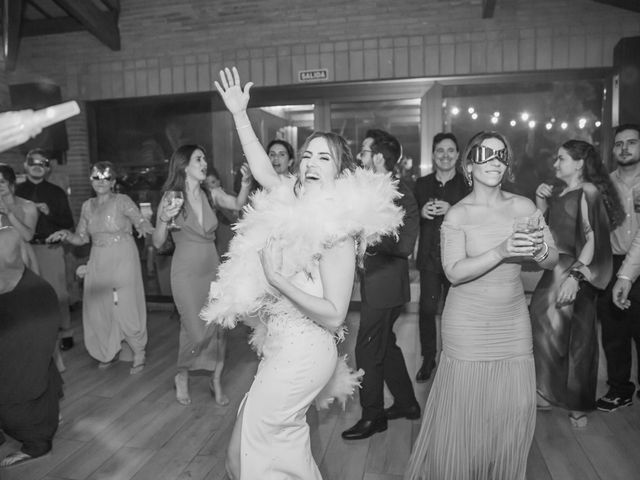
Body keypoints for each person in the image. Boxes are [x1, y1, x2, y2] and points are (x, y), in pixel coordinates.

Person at [203, 67, 402, 480]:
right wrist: (240, 114)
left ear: (340, 173)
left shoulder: (338, 234)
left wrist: (278, 281)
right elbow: (262, 170)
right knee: (251, 453)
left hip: (306, 351)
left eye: (323, 157)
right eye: (307, 154)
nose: (311, 163)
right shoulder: (292, 205)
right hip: (280, 345)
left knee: (256, 455)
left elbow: (333, 315)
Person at [405, 131, 558, 480]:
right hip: (468, 324)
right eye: (486, 154)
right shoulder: (458, 214)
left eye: (501, 155)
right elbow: (454, 273)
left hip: (512, 320)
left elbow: (552, 259)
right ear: (469, 164)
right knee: (466, 411)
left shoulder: (524, 206)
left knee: (513, 408)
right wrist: (502, 250)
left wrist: (539, 251)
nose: (494, 161)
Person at [531, 140, 622, 427]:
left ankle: (578, 404)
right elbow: (542, 231)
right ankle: (546, 392)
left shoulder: (590, 192)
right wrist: (541, 201)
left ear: (579, 163)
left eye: (561, 159)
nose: (556, 164)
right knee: (545, 332)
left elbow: (595, 239)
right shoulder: (563, 193)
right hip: (554, 270)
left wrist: (576, 276)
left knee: (578, 342)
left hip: (576, 272)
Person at [152, 145, 253, 407]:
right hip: (185, 271)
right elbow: (157, 241)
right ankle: (182, 374)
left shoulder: (211, 193)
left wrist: (245, 183)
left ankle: (215, 379)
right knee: (195, 330)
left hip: (212, 268)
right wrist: (163, 218)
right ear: (184, 165)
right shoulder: (171, 197)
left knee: (217, 328)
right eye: (198, 159)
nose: (204, 162)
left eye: (205, 158)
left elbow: (238, 204)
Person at [341, 129, 421, 440]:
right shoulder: (367, 191)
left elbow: (403, 246)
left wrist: (370, 236)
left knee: (367, 349)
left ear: (377, 157)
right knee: (385, 345)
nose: (359, 157)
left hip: (385, 284)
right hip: (376, 282)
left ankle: (373, 416)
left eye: (363, 152)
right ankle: (407, 404)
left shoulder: (399, 192)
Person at [47, 162, 153, 374]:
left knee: (125, 303)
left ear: (113, 182)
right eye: (96, 177)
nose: (101, 182)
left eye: (106, 178)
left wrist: (143, 227)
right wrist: (66, 235)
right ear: (91, 180)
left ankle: (138, 351)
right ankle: (107, 350)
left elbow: (140, 220)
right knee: (100, 306)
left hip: (123, 254)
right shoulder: (87, 206)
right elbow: (81, 238)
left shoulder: (122, 201)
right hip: (98, 257)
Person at [0, 227, 63, 468]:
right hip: (13, 304)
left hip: (29, 306)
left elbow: (19, 264)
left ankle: (37, 443)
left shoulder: (7, 232)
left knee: (19, 375)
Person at [413, 132, 469, 382]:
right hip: (429, 258)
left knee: (454, 311)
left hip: (458, 258)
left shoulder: (467, 185)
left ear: (457, 155)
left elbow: (476, 219)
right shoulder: (421, 184)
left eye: (450, 150)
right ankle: (428, 358)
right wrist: (422, 213)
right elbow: (408, 218)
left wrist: (452, 210)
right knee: (426, 309)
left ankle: (452, 357)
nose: (445, 155)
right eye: (440, 151)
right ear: (433, 155)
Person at [596, 123, 640, 412]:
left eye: (632, 142)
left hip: (637, 261)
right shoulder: (605, 185)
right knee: (614, 331)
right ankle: (620, 389)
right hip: (612, 262)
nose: (624, 148)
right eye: (619, 143)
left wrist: (627, 273)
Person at [15, 149, 76, 350]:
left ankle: (66, 333)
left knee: (57, 292)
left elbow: (68, 224)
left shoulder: (56, 193)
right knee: (27, 294)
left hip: (49, 247)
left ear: (47, 168)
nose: (37, 166)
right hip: (23, 249)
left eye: (42, 163)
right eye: (33, 162)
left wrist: (49, 213)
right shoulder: (15, 192)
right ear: (25, 165)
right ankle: (35, 334)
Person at [0, 164, 39, 273]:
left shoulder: (28, 206)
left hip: (21, 258)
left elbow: (28, 236)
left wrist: (9, 214)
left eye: (2, 182)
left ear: (11, 183)